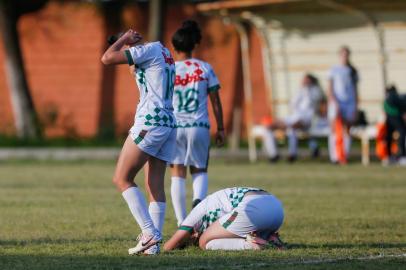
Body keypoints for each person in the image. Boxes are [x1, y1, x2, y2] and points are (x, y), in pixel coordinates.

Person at [101, 29, 176, 255]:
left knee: (121, 178)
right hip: (168, 122)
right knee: (154, 185)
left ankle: (149, 233)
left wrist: (123, 39)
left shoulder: (148, 50)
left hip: (151, 121)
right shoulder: (164, 52)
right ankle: (152, 247)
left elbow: (106, 58)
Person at [169, 20, 225, 226]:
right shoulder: (205, 68)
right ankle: (198, 204)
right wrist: (221, 127)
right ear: (194, 45)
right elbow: (216, 100)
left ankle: (181, 222)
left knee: (177, 171)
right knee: (199, 169)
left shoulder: (170, 69)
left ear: (174, 47)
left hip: (175, 127)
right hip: (199, 125)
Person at [163, 187, 284, 251]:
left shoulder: (194, 216)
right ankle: (267, 237)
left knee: (204, 242)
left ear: (193, 233)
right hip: (276, 206)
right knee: (235, 231)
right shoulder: (213, 202)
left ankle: (253, 245)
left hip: (253, 209)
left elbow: (168, 246)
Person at [261, 74, 324, 162]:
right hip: (293, 117)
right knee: (268, 127)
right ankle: (274, 155)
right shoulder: (300, 91)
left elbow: (311, 105)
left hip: (306, 119)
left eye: (306, 80)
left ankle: (292, 155)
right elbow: (293, 105)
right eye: (303, 80)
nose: (304, 82)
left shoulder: (315, 91)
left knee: (293, 128)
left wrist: (306, 90)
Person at [328, 46, 359, 164]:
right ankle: (334, 156)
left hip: (349, 103)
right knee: (334, 128)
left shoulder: (352, 71)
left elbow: (355, 89)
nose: (345, 57)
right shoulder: (334, 70)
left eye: (347, 54)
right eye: (343, 54)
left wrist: (356, 105)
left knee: (347, 128)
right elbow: (330, 87)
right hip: (337, 102)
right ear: (339, 55)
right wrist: (333, 100)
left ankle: (343, 155)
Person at [383, 85, 406, 165]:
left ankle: (390, 156)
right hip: (397, 120)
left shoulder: (390, 98)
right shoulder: (395, 97)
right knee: (401, 136)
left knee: (390, 137)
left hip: (391, 120)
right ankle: (402, 156)